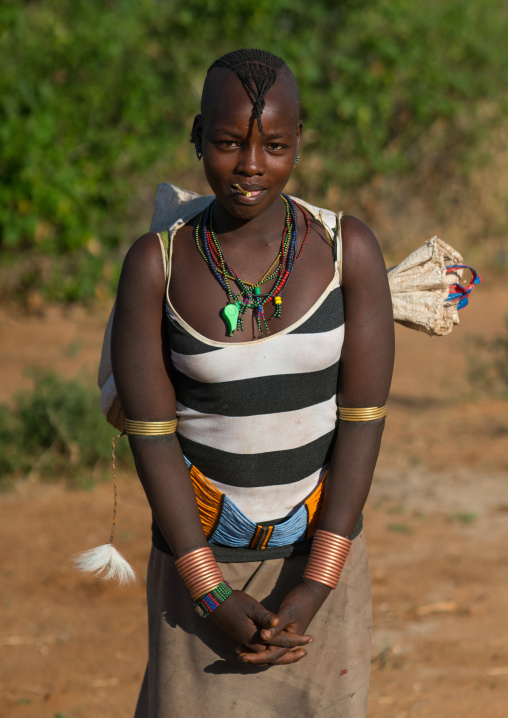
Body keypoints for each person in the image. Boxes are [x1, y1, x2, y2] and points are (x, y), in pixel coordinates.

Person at [111, 48, 394, 718]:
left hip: (322, 551)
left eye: (273, 145)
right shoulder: (157, 266)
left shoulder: (347, 251)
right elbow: (153, 441)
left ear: (299, 143)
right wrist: (209, 593)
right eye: (229, 143)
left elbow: (362, 419)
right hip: (198, 555)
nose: (249, 167)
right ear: (198, 137)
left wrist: (316, 586)